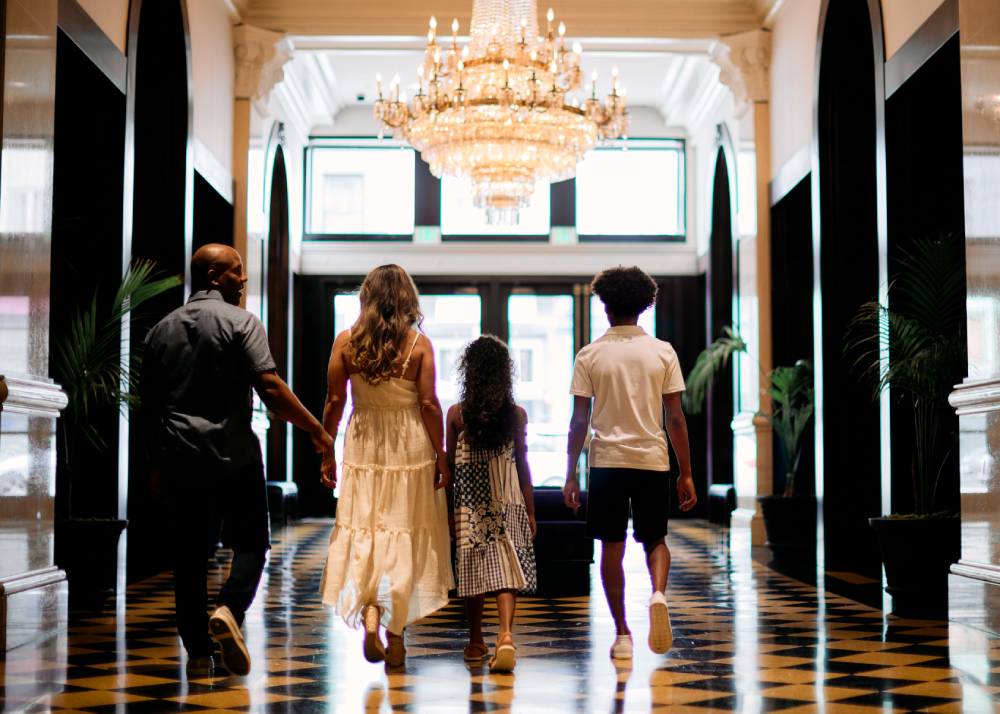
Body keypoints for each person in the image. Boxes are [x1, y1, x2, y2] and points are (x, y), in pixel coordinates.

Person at [142, 244, 333, 677]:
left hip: (179, 459)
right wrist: (316, 431)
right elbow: (270, 387)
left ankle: (196, 649)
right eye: (237, 273)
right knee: (251, 544)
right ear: (213, 276)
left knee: (188, 556)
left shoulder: (160, 331)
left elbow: (148, 408)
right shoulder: (242, 323)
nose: (243, 281)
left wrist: (154, 465)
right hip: (236, 458)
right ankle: (229, 608)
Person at [319, 264, 454, 669]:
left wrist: (327, 450)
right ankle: (396, 636)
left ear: (368, 297)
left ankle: (371, 617)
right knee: (405, 533)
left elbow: (334, 402)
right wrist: (441, 453)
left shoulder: (346, 342)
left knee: (367, 528)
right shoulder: (418, 344)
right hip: (409, 445)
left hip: (363, 443)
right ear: (406, 299)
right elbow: (429, 404)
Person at [563, 266, 697, 661]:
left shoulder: (590, 355)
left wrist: (570, 473)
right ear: (645, 306)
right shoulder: (662, 352)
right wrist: (685, 472)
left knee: (611, 546)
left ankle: (622, 633)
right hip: (652, 461)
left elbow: (578, 422)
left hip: (607, 463)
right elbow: (675, 418)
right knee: (655, 539)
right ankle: (657, 593)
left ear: (605, 308)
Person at [446, 335, 537, 674]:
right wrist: (530, 511)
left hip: (470, 503)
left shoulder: (456, 415)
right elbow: (523, 465)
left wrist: (447, 515)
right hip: (509, 498)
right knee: (507, 567)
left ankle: (474, 641)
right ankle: (506, 634)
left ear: (469, 373)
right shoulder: (517, 415)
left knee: (473, 567)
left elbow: (450, 468)